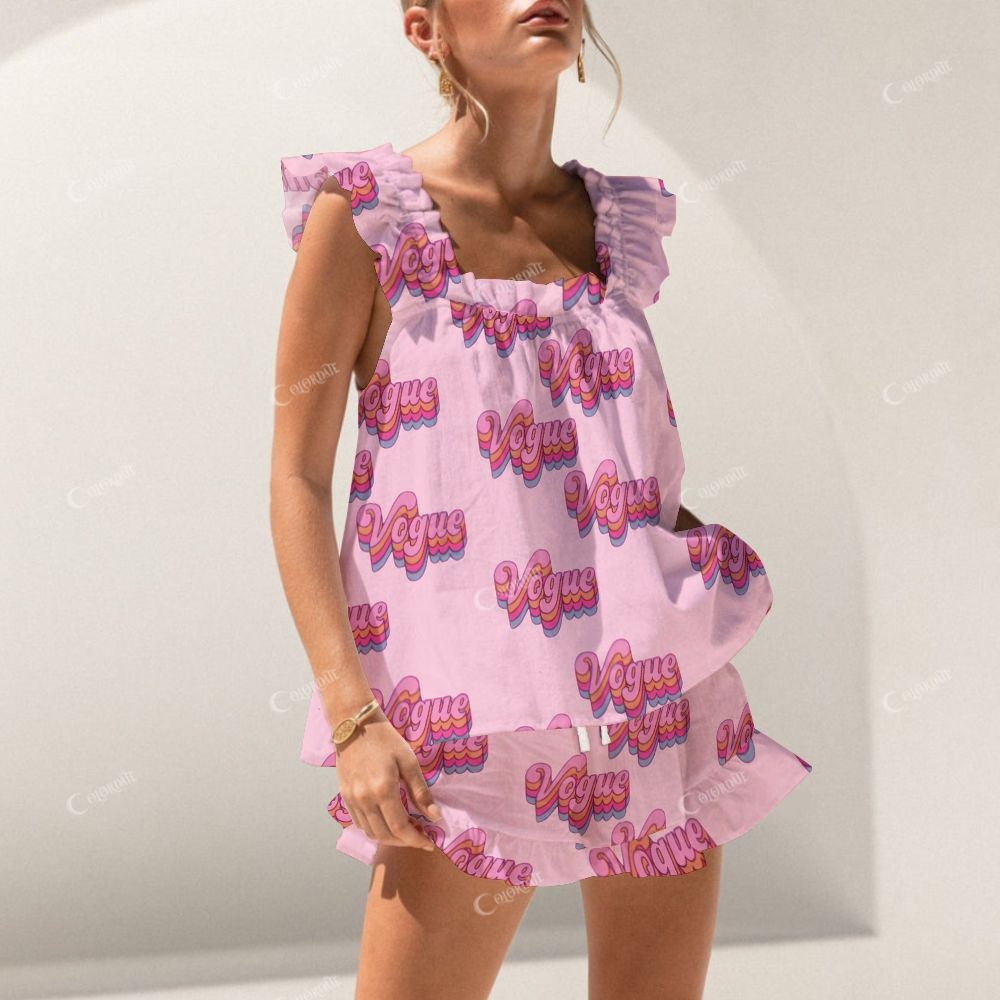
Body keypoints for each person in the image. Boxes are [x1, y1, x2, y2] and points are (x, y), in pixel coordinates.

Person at [270, 2, 812, 997]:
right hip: (463, 720)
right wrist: (353, 717)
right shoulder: (368, 219)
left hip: (652, 701)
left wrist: (677, 552)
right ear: (425, 28)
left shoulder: (615, 229)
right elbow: (297, 478)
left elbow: (606, 458)